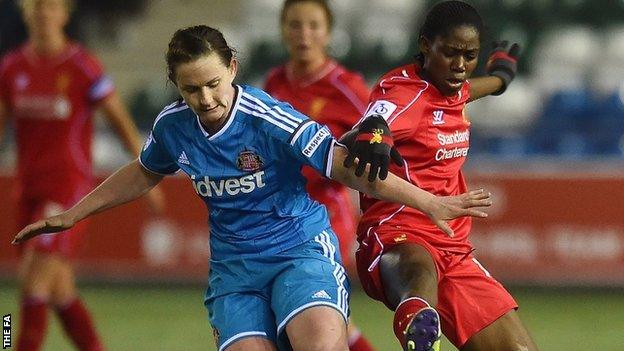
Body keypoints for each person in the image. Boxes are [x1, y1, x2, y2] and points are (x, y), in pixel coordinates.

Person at [12, 25, 492, 351]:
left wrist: (431, 202)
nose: (205, 99)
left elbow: (345, 167)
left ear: (234, 68)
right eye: (191, 89)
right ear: (176, 87)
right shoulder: (174, 127)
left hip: (299, 249)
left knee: (322, 341)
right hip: (235, 269)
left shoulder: (268, 116)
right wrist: (76, 213)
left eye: (213, 84)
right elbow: (144, 169)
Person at [341, 1, 537, 351]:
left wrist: (500, 80)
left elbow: (467, 91)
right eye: (450, 53)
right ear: (425, 45)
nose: (460, 66)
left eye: (470, 55)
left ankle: (422, 319)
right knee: (420, 269)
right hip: (397, 232)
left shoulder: (453, 87)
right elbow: (367, 126)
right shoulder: (403, 91)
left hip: (453, 247)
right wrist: (374, 135)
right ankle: (419, 324)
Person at [0, 0, 163, 350]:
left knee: (33, 281)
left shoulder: (81, 65)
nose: (43, 14)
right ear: (26, 14)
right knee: (58, 289)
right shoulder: (12, 68)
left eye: (50, 7)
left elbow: (119, 119)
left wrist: (148, 171)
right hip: (27, 191)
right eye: (36, 8)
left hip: (68, 191)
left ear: (64, 14)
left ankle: (7, 341)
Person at [264, 1, 375, 350]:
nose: (304, 35)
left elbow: (385, 135)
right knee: (323, 326)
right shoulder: (275, 82)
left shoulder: (347, 87)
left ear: (328, 32)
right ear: (283, 29)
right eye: (295, 25)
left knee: (309, 321)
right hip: (278, 216)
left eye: (313, 25)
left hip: (325, 217)